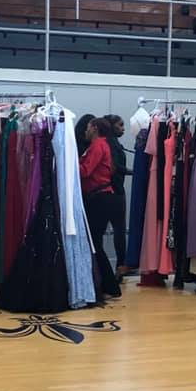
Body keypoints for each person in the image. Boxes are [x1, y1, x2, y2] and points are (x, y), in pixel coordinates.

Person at [80, 117, 122, 300]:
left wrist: (67, 163)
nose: (85, 131)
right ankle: (107, 285)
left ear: (95, 128)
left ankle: (110, 286)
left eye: (88, 127)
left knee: (95, 243)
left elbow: (85, 170)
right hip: (101, 198)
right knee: (95, 242)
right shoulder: (101, 145)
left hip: (99, 199)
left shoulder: (97, 146)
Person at [103, 114, 131, 277]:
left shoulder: (111, 143)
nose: (123, 129)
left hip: (113, 191)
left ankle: (119, 266)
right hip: (114, 192)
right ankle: (120, 266)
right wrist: (134, 172)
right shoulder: (110, 144)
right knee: (119, 231)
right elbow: (114, 167)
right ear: (111, 126)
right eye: (120, 125)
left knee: (117, 231)